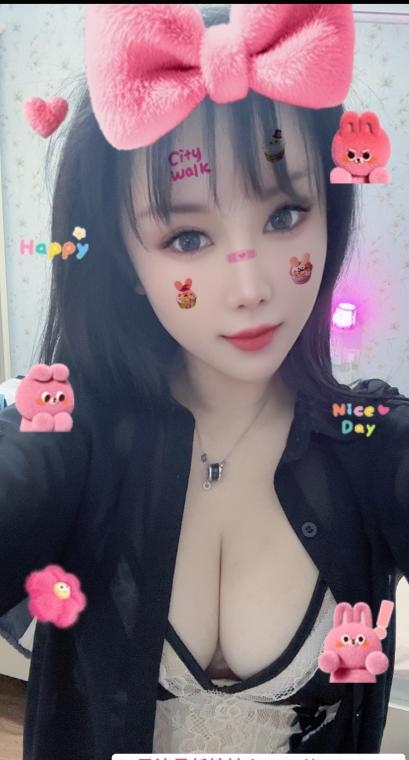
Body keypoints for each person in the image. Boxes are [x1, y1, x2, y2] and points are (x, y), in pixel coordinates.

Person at [0, 4, 408, 759]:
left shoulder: (372, 442)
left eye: (285, 215)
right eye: (187, 237)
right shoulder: (69, 432)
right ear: (126, 261)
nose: (250, 289)